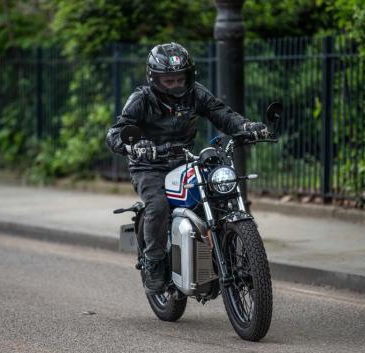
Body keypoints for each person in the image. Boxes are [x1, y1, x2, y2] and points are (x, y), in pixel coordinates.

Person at [106, 42, 269, 294]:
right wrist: (133, 145)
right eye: (168, 81)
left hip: (185, 160)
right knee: (158, 205)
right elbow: (116, 131)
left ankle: (227, 254)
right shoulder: (141, 99)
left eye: (180, 79)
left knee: (218, 194)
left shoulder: (197, 94)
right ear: (155, 79)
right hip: (149, 167)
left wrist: (246, 127)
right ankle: (154, 263)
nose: (176, 85)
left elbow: (220, 112)